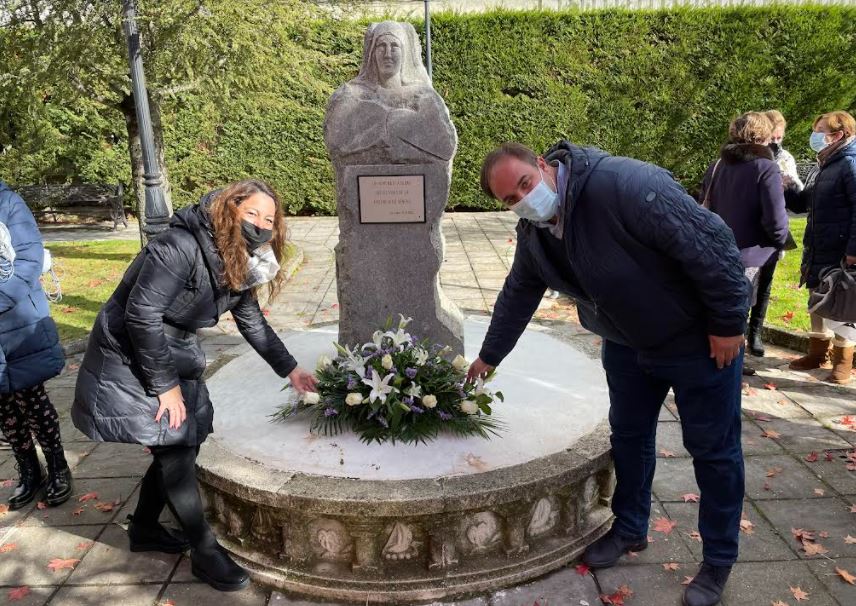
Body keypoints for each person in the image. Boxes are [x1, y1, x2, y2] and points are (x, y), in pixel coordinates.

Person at [469, 142, 749, 606]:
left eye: (525, 183)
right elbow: (519, 290)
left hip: (697, 341)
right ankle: (631, 527)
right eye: (510, 199)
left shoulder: (624, 185)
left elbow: (712, 244)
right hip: (626, 343)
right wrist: (489, 356)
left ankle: (718, 560)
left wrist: (727, 323)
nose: (523, 199)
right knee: (629, 435)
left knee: (714, 451)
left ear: (543, 164)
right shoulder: (535, 231)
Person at [71, 180, 317, 591]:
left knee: (184, 441)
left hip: (174, 349)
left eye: (269, 219)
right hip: (130, 351)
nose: (259, 224)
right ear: (229, 209)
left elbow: (251, 320)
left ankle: (146, 528)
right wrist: (165, 387)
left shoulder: (239, 257)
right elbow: (141, 315)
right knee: (177, 446)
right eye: (252, 213)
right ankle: (205, 551)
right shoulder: (178, 247)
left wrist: (290, 370)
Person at [0, 181, 71, 511]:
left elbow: (28, 261)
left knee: (31, 397)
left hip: (19, 321)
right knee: (3, 406)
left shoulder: (8, 203)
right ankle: (30, 470)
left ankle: (58, 466)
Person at [700, 112, 789, 362]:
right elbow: (776, 218)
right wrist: (779, 241)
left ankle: (721, 360)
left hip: (717, 248)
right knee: (741, 308)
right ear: (764, 135)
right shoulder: (766, 167)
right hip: (752, 252)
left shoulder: (717, 165)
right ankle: (733, 365)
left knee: (723, 306)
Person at [785, 111, 856, 384]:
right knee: (817, 297)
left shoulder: (850, 164)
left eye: (821, 130)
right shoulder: (823, 163)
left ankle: (842, 360)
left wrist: (853, 250)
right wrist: (788, 188)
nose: (816, 136)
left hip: (840, 249)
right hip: (817, 245)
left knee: (841, 302)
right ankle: (818, 352)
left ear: (839, 134)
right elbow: (804, 203)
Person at [324, 20, 456, 165]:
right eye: (381, 46)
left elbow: (445, 148)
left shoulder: (424, 96)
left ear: (404, 53)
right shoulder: (349, 95)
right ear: (372, 53)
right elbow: (336, 141)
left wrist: (396, 122)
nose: (387, 54)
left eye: (394, 46)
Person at [766, 110, 804, 192]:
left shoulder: (786, 157)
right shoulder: (752, 156)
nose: (775, 142)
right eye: (771, 138)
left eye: (779, 138)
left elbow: (798, 186)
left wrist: (791, 184)